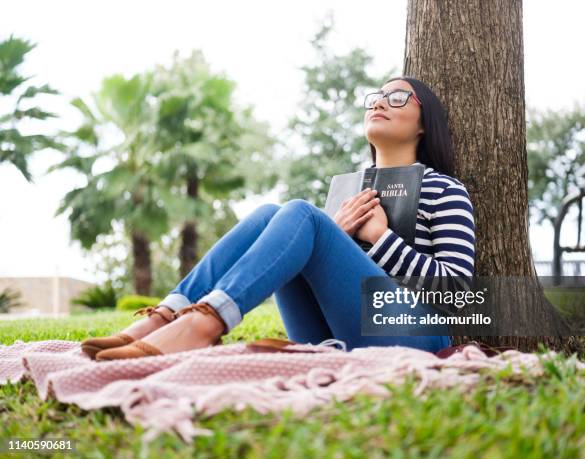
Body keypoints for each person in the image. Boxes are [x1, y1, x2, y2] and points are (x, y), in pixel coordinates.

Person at [81, 76, 476, 361]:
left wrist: (382, 239)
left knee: (302, 213)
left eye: (396, 98)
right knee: (273, 214)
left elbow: (458, 294)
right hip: (327, 336)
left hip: (413, 337)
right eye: (376, 97)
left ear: (425, 123)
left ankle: (205, 324)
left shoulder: (444, 190)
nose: (378, 103)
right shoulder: (349, 193)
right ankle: (168, 315)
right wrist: (334, 236)